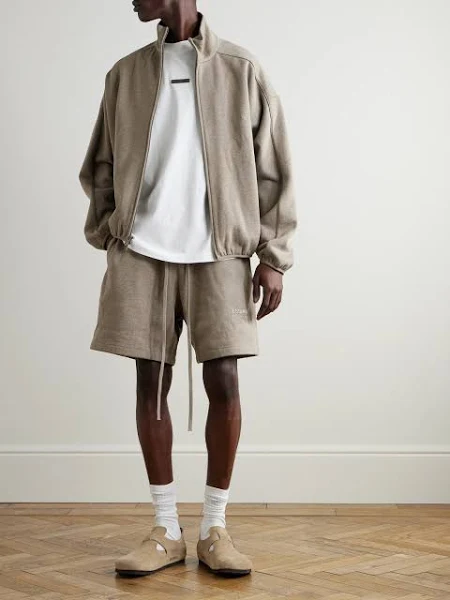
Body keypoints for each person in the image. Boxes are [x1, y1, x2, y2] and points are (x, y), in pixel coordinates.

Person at [78, 0, 296, 578]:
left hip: (219, 252)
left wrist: (273, 256)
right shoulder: (126, 74)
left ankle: (215, 528)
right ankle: (166, 529)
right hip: (142, 254)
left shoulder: (241, 69)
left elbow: (273, 168)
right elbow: (100, 162)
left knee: (224, 381)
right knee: (150, 384)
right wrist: (111, 229)